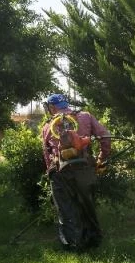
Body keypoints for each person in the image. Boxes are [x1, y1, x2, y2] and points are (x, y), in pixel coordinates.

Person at [41, 94, 111, 251]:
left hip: (59, 173)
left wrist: (49, 172)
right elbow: (105, 137)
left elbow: (46, 152)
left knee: (66, 209)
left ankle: (74, 245)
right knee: (88, 206)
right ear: (66, 104)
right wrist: (102, 159)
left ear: (52, 107)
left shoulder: (47, 126)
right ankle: (94, 241)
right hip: (85, 169)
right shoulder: (85, 116)